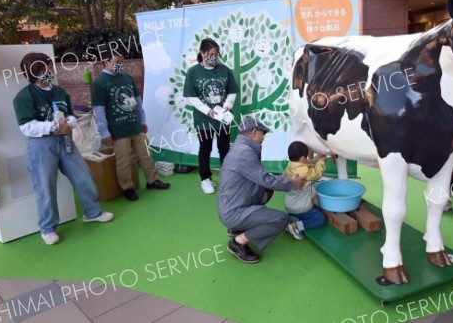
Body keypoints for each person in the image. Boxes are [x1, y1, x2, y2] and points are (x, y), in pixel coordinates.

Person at [13, 52, 114, 245]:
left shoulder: (59, 91)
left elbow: (71, 114)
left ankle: (92, 212)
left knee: (83, 177)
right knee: (45, 187)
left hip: (66, 141)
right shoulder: (24, 97)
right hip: (41, 146)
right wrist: (54, 126)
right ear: (31, 74)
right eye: (42, 70)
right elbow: (26, 126)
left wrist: (70, 122)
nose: (48, 71)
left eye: (49, 67)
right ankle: (48, 228)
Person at [217, 117, 305, 263]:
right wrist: (292, 183)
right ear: (253, 132)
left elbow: (261, 177)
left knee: (267, 190)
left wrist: (282, 178)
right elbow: (265, 179)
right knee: (280, 219)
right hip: (233, 212)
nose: (264, 137)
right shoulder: (244, 153)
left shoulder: (241, 148)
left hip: (232, 205)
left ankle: (237, 227)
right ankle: (238, 242)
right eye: (262, 133)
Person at [91, 49, 170, 201]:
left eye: (121, 62)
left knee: (146, 154)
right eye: (116, 62)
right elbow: (99, 111)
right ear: (105, 62)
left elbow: (138, 101)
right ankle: (127, 187)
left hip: (135, 126)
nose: (120, 65)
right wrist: (105, 133)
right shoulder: (99, 83)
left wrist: (143, 121)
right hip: (118, 130)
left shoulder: (127, 78)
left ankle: (152, 180)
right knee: (124, 160)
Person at [183, 38, 238, 194]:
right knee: (205, 148)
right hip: (204, 119)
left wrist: (227, 105)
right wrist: (207, 110)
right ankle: (205, 179)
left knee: (224, 148)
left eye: (216, 54)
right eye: (211, 54)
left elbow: (232, 91)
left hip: (223, 118)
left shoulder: (224, 70)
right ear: (202, 53)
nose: (214, 57)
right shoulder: (193, 72)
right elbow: (191, 97)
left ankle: (226, 178)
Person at [284, 141, 327, 239]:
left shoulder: (290, 165)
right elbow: (317, 173)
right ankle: (296, 227)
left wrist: (315, 159)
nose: (307, 159)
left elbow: (305, 164)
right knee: (320, 219)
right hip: (302, 209)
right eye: (306, 157)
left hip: (289, 206)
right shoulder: (305, 172)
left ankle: (292, 218)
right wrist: (321, 161)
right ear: (303, 158)